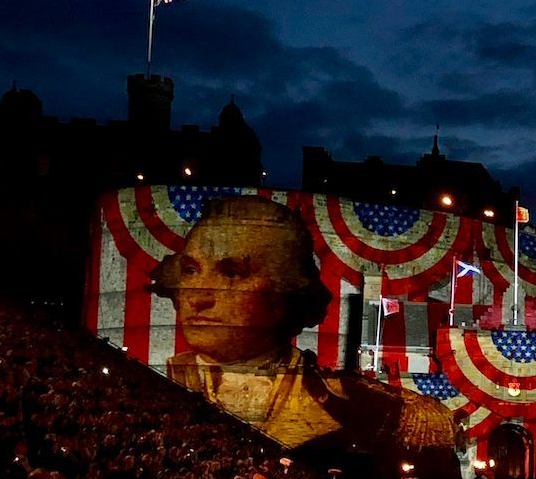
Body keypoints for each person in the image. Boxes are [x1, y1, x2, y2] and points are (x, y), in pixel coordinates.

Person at [149, 196, 453, 464]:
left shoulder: (379, 411)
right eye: (190, 270)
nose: (198, 297)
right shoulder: (155, 388)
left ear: (288, 291)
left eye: (232, 273)